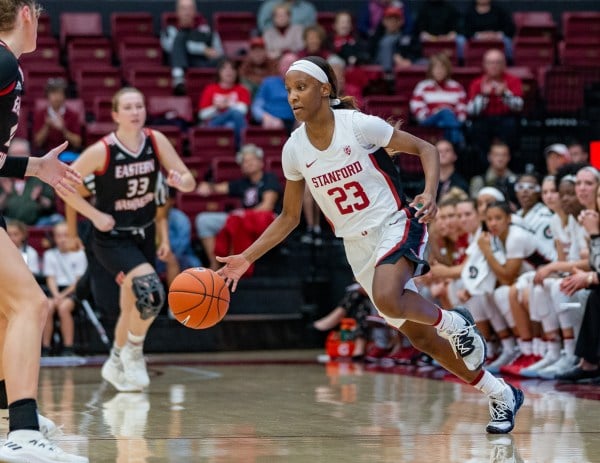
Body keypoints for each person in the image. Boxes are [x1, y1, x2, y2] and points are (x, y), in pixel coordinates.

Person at [217, 55, 524, 434]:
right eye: (288, 90)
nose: (293, 97)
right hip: (356, 245)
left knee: (388, 299)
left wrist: (430, 193)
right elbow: (288, 218)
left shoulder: (358, 126)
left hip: (394, 222)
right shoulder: (294, 149)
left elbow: (426, 150)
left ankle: (456, 321)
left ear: (325, 89)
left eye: (301, 87)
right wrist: (245, 258)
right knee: (421, 338)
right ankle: (501, 394)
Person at [58, 87, 196, 393]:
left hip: (144, 231)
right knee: (151, 293)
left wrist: (180, 181)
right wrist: (93, 215)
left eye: (140, 106)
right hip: (111, 238)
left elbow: (188, 178)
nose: (135, 112)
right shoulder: (102, 151)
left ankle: (115, 361)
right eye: (129, 107)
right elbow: (62, 186)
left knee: (132, 302)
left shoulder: (155, 141)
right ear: (116, 115)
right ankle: (133, 352)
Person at [0, 1, 88, 461]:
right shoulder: (1, 60)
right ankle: (22, 431)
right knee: (32, 303)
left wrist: (34, 166)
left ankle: (5, 413)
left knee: (5, 311)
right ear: (26, 13)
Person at [195, 143, 281, 272]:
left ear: (260, 162)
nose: (248, 163)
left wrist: (243, 215)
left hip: (267, 223)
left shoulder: (269, 178)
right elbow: (220, 188)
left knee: (237, 219)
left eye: (251, 159)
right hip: (241, 219)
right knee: (204, 220)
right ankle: (215, 264)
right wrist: (207, 186)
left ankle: (235, 266)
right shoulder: (242, 183)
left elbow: (267, 206)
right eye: (244, 161)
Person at [466, 49, 523, 166]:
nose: (494, 66)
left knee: (511, 126)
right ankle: (485, 166)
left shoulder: (513, 80)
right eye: (490, 62)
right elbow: (472, 110)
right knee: (477, 129)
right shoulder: (477, 83)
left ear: (504, 64)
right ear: (484, 65)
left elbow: (519, 106)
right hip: (484, 118)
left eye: (497, 62)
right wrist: (483, 95)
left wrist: (505, 94)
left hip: (506, 118)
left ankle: (508, 164)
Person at [41, 222, 87, 357]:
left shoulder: (79, 254)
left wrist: (62, 296)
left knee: (63, 308)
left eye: (66, 235)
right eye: (59, 236)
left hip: (74, 291)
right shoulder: (50, 254)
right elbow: (51, 278)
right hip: (56, 291)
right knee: (47, 307)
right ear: (54, 238)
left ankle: (68, 346)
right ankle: (46, 347)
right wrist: (55, 295)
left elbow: (78, 281)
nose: (62, 239)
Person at [160, 0, 224, 95]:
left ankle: (179, 77)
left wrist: (213, 53)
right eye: (183, 9)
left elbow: (218, 52)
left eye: (190, 8)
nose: (187, 12)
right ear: (177, 12)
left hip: (204, 64)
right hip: (183, 64)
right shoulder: (170, 30)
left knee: (226, 60)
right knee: (179, 39)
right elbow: (169, 47)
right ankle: (179, 79)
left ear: (195, 11)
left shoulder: (207, 31)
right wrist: (203, 49)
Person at [0, 137, 63, 225]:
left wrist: (39, 199)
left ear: (29, 155)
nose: (19, 157)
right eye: (15, 154)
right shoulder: (2, 178)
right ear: (8, 157)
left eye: (22, 153)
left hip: (37, 222)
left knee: (58, 219)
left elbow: (50, 205)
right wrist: (6, 194)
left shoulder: (41, 176)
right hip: (10, 223)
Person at [410, 54, 467, 147]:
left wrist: (451, 116)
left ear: (447, 69)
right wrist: (435, 113)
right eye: (436, 68)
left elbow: (462, 109)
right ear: (431, 70)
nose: (439, 71)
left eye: (442, 68)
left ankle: (448, 142)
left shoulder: (456, 86)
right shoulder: (423, 86)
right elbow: (416, 107)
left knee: (445, 118)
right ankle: (457, 144)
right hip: (429, 120)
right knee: (445, 112)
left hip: (450, 121)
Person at [198, 58, 251, 150]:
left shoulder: (242, 89)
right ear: (219, 72)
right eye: (225, 68)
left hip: (235, 124)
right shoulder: (210, 89)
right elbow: (202, 115)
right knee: (234, 114)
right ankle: (243, 148)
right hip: (215, 123)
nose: (229, 72)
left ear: (236, 72)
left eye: (232, 69)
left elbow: (244, 110)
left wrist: (227, 104)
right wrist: (216, 107)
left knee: (232, 122)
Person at [32, 77, 82, 159]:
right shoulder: (41, 114)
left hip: (66, 154)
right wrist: (47, 126)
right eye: (53, 93)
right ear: (47, 95)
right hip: (46, 155)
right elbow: (37, 142)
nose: (57, 97)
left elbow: (77, 142)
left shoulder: (72, 114)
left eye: (60, 93)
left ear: (64, 96)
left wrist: (63, 129)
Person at [251, 53, 298, 134]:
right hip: (271, 122)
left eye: (292, 64)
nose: (289, 68)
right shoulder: (268, 83)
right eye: (285, 64)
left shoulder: (303, 86)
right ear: (279, 67)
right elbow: (256, 106)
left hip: (293, 122)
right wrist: (264, 117)